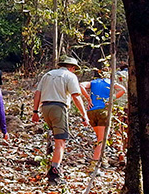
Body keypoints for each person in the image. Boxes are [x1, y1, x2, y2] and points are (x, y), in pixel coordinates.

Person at [32, 56, 89, 185]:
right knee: (60, 141)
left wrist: (35, 112)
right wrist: (84, 115)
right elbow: (76, 96)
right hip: (59, 107)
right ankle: (54, 173)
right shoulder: (69, 76)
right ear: (72, 67)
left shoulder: (47, 75)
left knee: (54, 136)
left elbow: (37, 93)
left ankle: (52, 162)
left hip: (45, 108)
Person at [80, 74, 126, 171]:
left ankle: (103, 159)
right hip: (103, 111)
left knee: (99, 138)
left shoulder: (93, 82)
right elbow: (123, 90)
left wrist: (89, 99)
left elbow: (81, 86)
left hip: (91, 112)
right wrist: (111, 99)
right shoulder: (109, 82)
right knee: (102, 139)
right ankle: (94, 164)